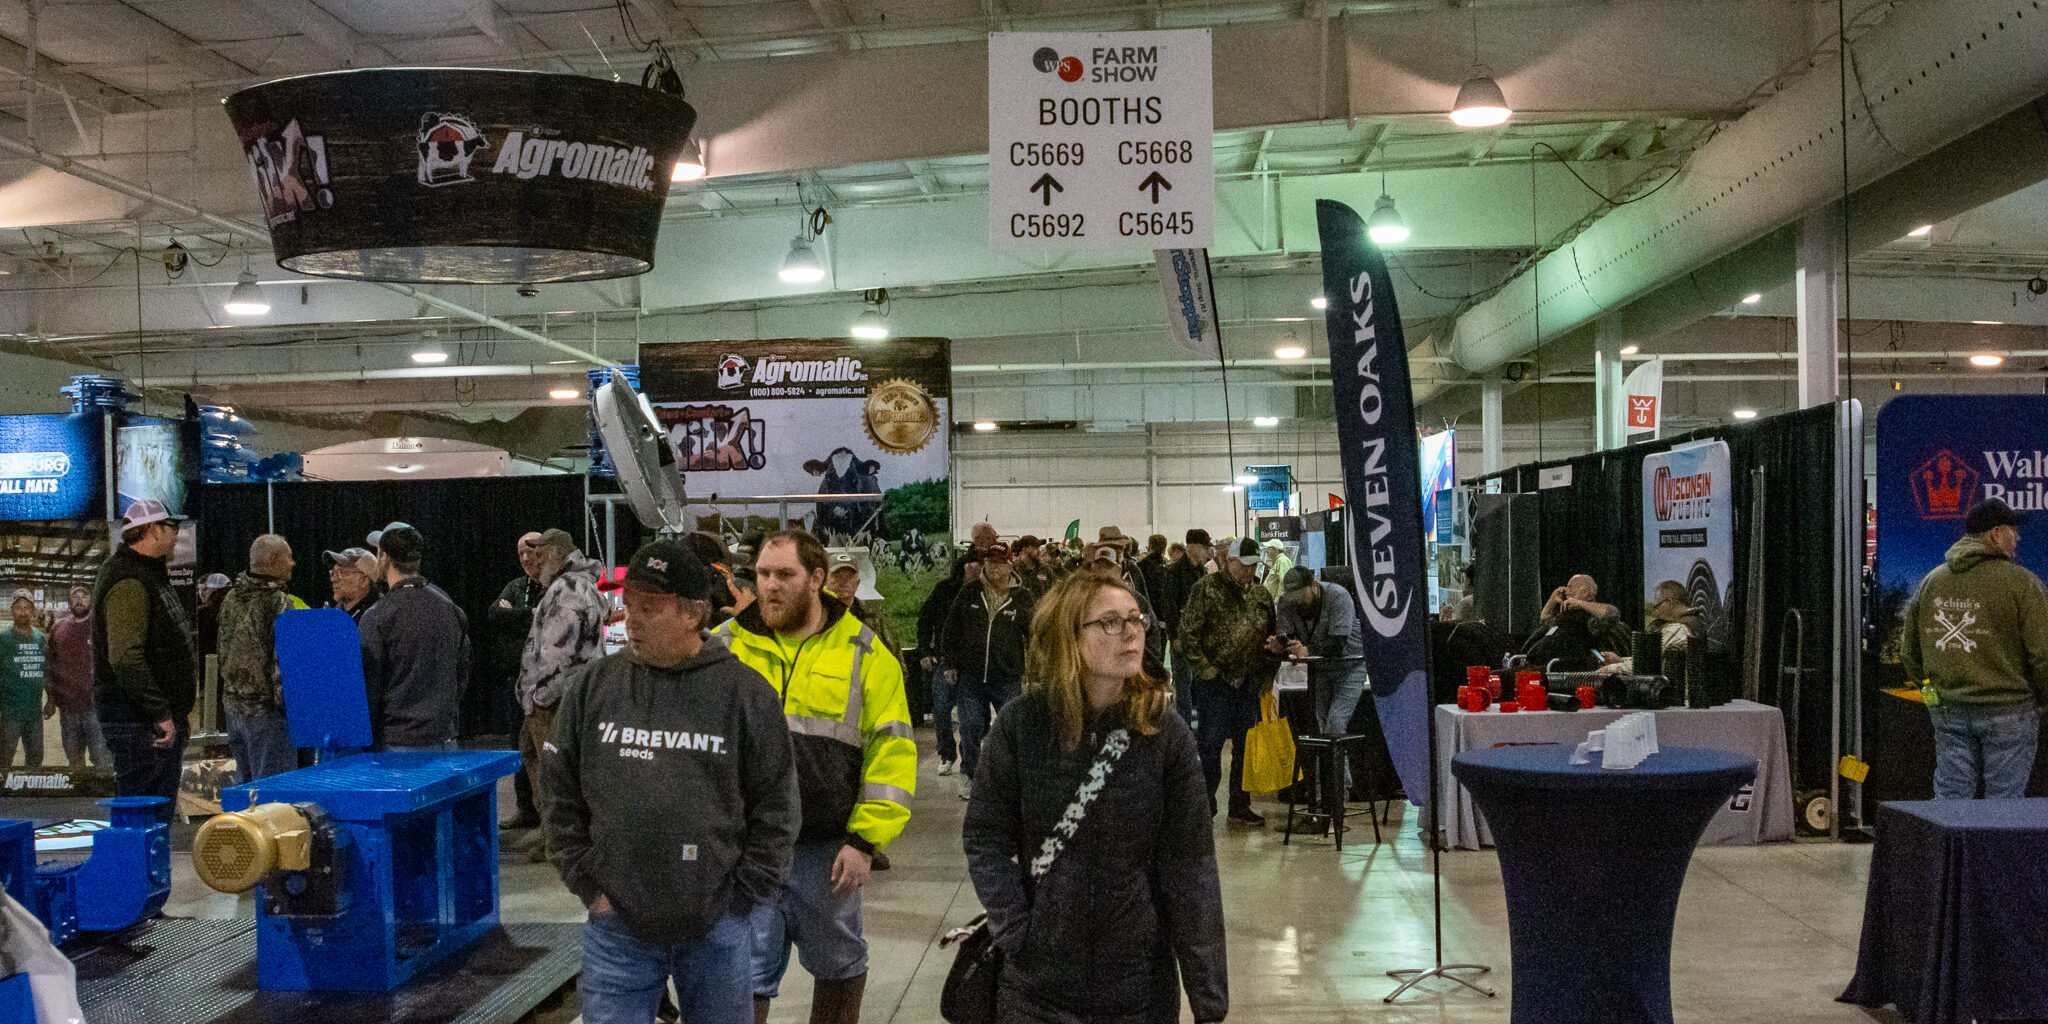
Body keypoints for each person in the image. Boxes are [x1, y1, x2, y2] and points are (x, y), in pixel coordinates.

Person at [544, 540, 798, 1024]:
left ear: (692, 615)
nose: (629, 621)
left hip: (717, 925)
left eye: (648, 610)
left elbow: (777, 807)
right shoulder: (592, 689)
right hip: (616, 924)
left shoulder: (745, 695)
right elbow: (558, 791)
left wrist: (741, 898)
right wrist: (585, 881)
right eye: (627, 606)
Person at [962, 572, 1228, 1024]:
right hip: (1035, 988)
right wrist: (1015, 929)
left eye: (1135, 619)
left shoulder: (1165, 733)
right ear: (1068, 636)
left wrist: (1209, 1000)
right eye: (1109, 621)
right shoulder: (1020, 725)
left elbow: (1191, 867)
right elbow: (985, 837)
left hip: (1138, 986)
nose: (1130, 632)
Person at [715, 530, 916, 1024]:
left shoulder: (866, 654)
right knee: (743, 970)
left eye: (785, 575)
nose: (770, 586)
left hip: (826, 851)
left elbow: (892, 753)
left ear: (817, 579)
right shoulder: (722, 649)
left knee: (839, 964)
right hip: (745, 847)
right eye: (763, 574)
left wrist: (865, 840)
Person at [1900, 499, 2048, 800]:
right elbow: (2042, 655)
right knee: (2004, 807)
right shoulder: (2023, 585)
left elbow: (1909, 655)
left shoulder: (1931, 582)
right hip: (2010, 712)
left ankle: (1947, 850)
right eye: (2012, 530)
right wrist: (2041, 700)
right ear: (1995, 534)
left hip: (1948, 710)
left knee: (1950, 801)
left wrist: (1933, 698)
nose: (2017, 538)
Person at [93, 499, 196, 823]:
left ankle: (147, 874)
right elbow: (125, 657)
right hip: (141, 725)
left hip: (145, 723)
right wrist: (160, 712)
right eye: (170, 526)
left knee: (149, 817)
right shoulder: (130, 580)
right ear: (151, 530)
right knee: (141, 818)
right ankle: (134, 875)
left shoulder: (145, 574)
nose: (176, 533)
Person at [517, 529, 607, 859]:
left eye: (541, 553)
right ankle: (552, 832)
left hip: (554, 697)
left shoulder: (569, 587)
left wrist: (537, 695)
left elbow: (556, 651)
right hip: (556, 694)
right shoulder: (576, 584)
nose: (534, 559)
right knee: (537, 760)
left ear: (558, 553)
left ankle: (562, 839)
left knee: (556, 772)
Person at [1177, 537, 1277, 824]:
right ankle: (1203, 806)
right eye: (1245, 565)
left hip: (1248, 683)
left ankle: (1240, 806)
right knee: (1210, 746)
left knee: (1246, 748)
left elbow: (1271, 635)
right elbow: (1188, 634)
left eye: (1254, 565)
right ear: (1229, 561)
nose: (1250, 571)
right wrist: (1204, 667)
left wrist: (1268, 675)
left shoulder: (1261, 595)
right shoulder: (1206, 589)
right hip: (1215, 683)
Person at [357, 524, 469, 751]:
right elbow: (463, 668)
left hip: (398, 745)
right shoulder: (448, 605)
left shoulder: (377, 616)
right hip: (445, 740)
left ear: (384, 557)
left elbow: (369, 687)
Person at [943, 542, 1034, 800]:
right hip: (971, 676)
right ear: (984, 564)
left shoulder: (1023, 597)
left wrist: (1034, 670)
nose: (995, 567)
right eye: (990, 562)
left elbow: (1035, 633)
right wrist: (950, 663)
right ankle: (970, 775)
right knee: (971, 726)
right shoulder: (969, 592)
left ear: (1010, 565)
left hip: (1007, 676)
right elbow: (951, 629)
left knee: (1012, 728)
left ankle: (1011, 777)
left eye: (1000, 562)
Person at [217, 534, 300, 783]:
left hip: (233, 711)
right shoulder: (279, 602)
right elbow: (282, 662)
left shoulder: (230, 599)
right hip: (267, 715)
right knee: (275, 793)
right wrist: (290, 710)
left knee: (247, 791)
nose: (293, 563)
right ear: (274, 561)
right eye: (289, 557)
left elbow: (222, 652)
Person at [44, 585, 110, 769]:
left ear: (91, 600)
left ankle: (101, 796)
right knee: (74, 760)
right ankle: (79, 796)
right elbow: (50, 666)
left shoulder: (100, 628)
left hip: (95, 708)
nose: (80, 599)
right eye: (75, 596)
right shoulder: (58, 628)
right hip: (68, 710)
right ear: (69, 601)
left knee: (102, 760)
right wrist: (51, 698)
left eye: (85, 596)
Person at [918, 555, 971, 775]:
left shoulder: (984, 592)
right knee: (941, 710)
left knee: (971, 717)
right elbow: (925, 618)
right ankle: (947, 754)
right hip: (944, 659)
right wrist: (924, 651)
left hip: (971, 664)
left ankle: (969, 759)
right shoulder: (944, 590)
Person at [1161, 530, 1213, 720]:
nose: (1207, 553)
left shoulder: (1201, 571)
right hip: (1182, 637)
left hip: (1201, 638)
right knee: (1183, 682)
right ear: (1192, 547)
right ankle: (1184, 725)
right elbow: (1169, 606)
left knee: (1201, 681)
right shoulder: (1174, 573)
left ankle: (1201, 722)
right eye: (1204, 548)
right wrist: (1174, 636)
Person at [3, 592, 47, 766]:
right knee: (4, 759)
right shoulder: (3, 639)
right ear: (12, 611)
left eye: (27, 608)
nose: (23, 612)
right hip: (10, 714)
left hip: (34, 713)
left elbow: (47, 670)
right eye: (19, 608)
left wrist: (50, 700)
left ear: (33, 611)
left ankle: (32, 793)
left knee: (36, 758)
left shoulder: (40, 638)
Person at [324, 547, 381, 622]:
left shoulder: (380, 617)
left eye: (341, 572)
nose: (333, 579)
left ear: (364, 581)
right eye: (333, 573)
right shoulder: (333, 614)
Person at [1012, 535, 1056, 601]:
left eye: (1038, 547)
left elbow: (1054, 592)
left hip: (1042, 609)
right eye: (1035, 548)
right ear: (1025, 549)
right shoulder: (1014, 570)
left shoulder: (1046, 570)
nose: (1039, 551)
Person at [1139, 534, 1171, 611]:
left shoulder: (1140, 566)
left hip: (1146, 609)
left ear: (1149, 547)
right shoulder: (1169, 567)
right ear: (1164, 549)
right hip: (1164, 611)